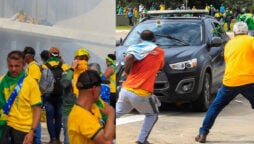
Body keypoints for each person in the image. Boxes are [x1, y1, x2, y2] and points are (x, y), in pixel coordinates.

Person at [195, 22, 254, 143]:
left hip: (230, 81)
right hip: (249, 80)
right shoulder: (251, 40)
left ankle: (202, 133)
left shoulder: (229, 44)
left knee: (215, 107)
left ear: (235, 33)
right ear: (246, 32)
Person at [116, 30, 164, 144]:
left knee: (116, 113)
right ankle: (141, 141)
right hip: (141, 92)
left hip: (126, 89)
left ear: (141, 40)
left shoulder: (134, 49)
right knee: (152, 114)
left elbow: (128, 58)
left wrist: (127, 71)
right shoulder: (159, 51)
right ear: (154, 39)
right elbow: (161, 66)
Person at [0, 50, 42, 144]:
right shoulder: (2, 81)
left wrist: (32, 131)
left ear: (23, 65)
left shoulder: (31, 83)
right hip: (5, 127)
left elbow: (37, 109)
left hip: (24, 130)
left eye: (17, 66)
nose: (13, 69)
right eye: (11, 66)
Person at [68, 70, 115, 144]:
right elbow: (107, 141)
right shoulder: (81, 116)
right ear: (94, 89)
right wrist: (111, 114)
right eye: (100, 88)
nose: (100, 92)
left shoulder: (93, 108)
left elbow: (109, 133)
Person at [42, 47, 69, 144]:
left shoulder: (44, 66)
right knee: (58, 117)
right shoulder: (64, 66)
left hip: (49, 96)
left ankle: (52, 139)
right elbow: (68, 80)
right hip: (61, 95)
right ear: (59, 55)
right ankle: (57, 139)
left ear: (49, 55)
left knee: (50, 117)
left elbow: (43, 83)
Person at [23, 47, 42, 144]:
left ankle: (37, 141)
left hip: (34, 99)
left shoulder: (33, 67)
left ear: (28, 56)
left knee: (36, 120)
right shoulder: (30, 66)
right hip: (31, 98)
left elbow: (34, 83)